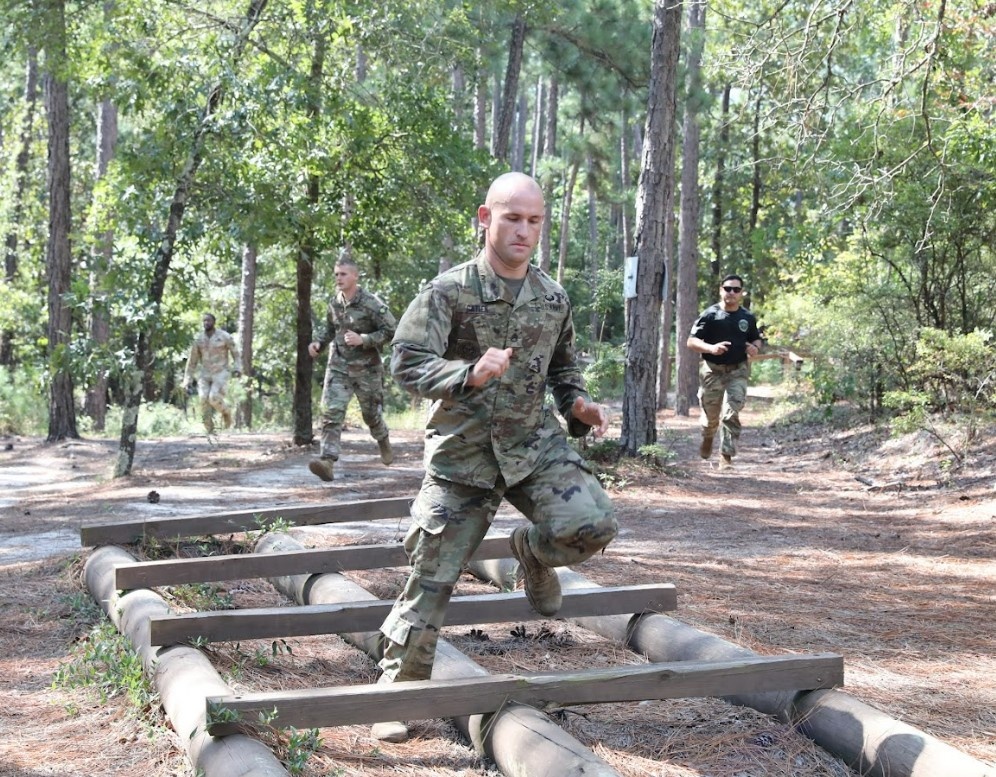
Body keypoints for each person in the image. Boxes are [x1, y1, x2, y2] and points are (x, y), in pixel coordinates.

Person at [371, 172, 618, 742]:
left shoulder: (552, 297)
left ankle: (531, 554)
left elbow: (562, 369)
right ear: (486, 219)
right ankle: (398, 691)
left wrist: (578, 404)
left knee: (593, 524)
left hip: (533, 444)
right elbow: (405, 362)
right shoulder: (448, 291)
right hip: (465, 454)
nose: (523, 231)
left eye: (534, 221)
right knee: (432, 575)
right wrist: (467, 374)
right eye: (512, 218)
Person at [307, 256, 397, 482]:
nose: (338, 278)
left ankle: (383, 439)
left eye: (343, 274)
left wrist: (364, 339)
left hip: (367, 370)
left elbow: (392, 331)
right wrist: (318, 343)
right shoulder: (334, 302)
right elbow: (329, 328)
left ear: (355, 276)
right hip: (338, 367)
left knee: (371, 415)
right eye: (336, 274)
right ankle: (327, 461)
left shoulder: (372, 303)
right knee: (331, 412)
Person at [686, 274, 763, 468]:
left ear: (741, 293)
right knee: (711, 417)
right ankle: (708, 436)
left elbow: (756, 338)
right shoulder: (710, 315)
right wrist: (711, 348)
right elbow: (691, 341)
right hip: (713, 371)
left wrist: (755, 347)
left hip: (738, 371)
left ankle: (725, 456)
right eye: (728, 289)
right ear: (721, 290)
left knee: (731, 413)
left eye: (736, 290)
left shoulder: (747, 317)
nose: (731, 293)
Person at [183, 313, 240, 434]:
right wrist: (187, 379)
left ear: (214, 322)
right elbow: (192, 361)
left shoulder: (224, 336)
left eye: (208, 321)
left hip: (221, 372)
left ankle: (226, 412)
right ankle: (209, 429)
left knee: (213, 398)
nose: (206, 323)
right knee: (203, 399)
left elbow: (235, 353)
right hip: (205, 373)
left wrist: (237, 368)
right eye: (204, 321)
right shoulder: (198, 339)